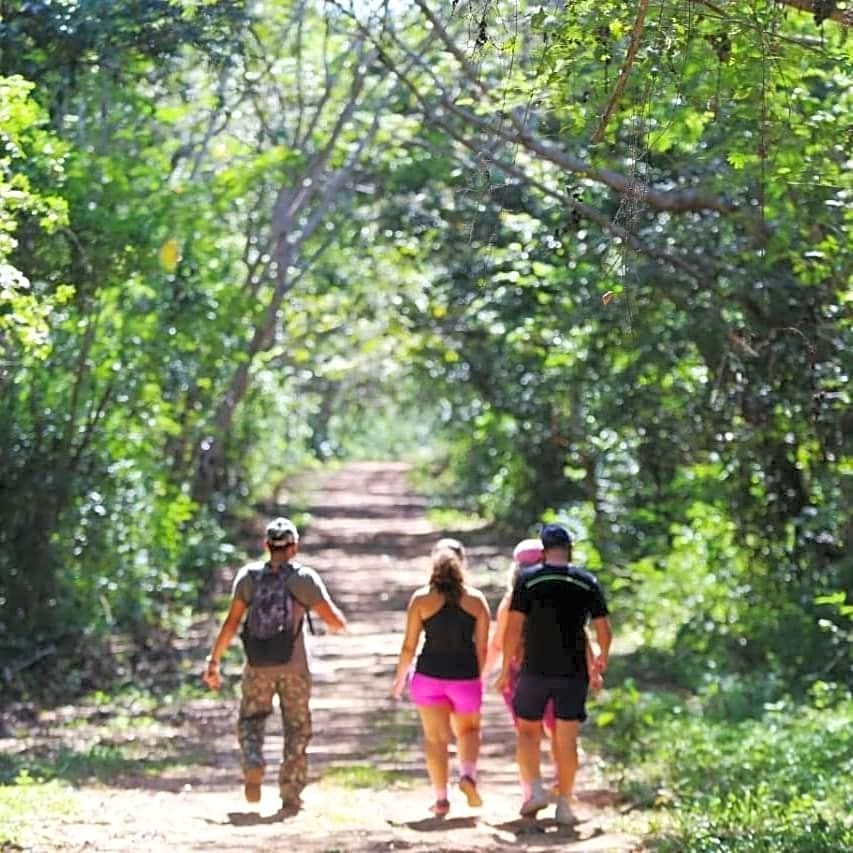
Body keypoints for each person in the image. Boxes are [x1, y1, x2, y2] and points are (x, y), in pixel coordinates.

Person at [202, 516, 347, 810]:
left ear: (266, 545)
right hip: (295, 668)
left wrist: (214, 661)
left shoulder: (248, 578)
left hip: (257, 665)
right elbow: (334, 621)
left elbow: (231, 624)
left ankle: (254, 762)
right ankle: (291, 792)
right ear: (294, 547)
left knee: (251, 720)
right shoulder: (303, 579)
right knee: (297, 728)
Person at [496, 524, 612, 825]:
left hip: (534, 669)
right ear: (569, 548)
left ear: (544, 550)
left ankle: (534, 789)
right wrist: (602, 659)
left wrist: (505, 666)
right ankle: (564, 804)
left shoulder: (529, 581)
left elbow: (513, 628)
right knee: (566, 738)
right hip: (572, 674)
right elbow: (602, 629)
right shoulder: (587, 582)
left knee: (527, 732)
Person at [391, 540, 491, 817]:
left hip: (428, 677)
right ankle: (468, 776)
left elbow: (409, 645)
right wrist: (478, 677)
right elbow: (482, 647)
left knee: (435, 739)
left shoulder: (421, 599)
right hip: (465, 677)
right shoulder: (476, 600)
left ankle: (441, 799)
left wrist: (400, 678)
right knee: (468, 731)